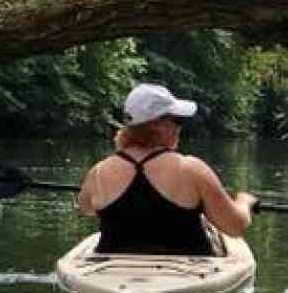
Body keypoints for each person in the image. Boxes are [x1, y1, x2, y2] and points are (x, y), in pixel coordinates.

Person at [76, 83, 256, 256]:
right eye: (176, 120)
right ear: (156, 124)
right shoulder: (191, 169)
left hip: (113, 274)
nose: (180, 126)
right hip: (186, 274)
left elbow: (86, 208)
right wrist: (244, 202)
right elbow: (235, 226)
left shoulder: (99, 172)